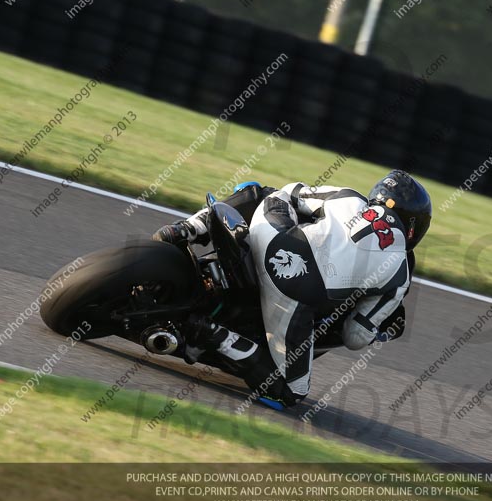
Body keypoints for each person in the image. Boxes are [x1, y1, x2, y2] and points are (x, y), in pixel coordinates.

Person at [152, 170, 432, 409]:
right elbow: (355, 336)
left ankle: (186, 228)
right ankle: (211, 332)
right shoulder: (400, 272)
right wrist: (376, 332)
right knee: (290, 393)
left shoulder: (348, 197)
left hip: (271, 236)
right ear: (414, 227)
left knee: (260, 192)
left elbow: (292, 192)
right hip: (291, 290)